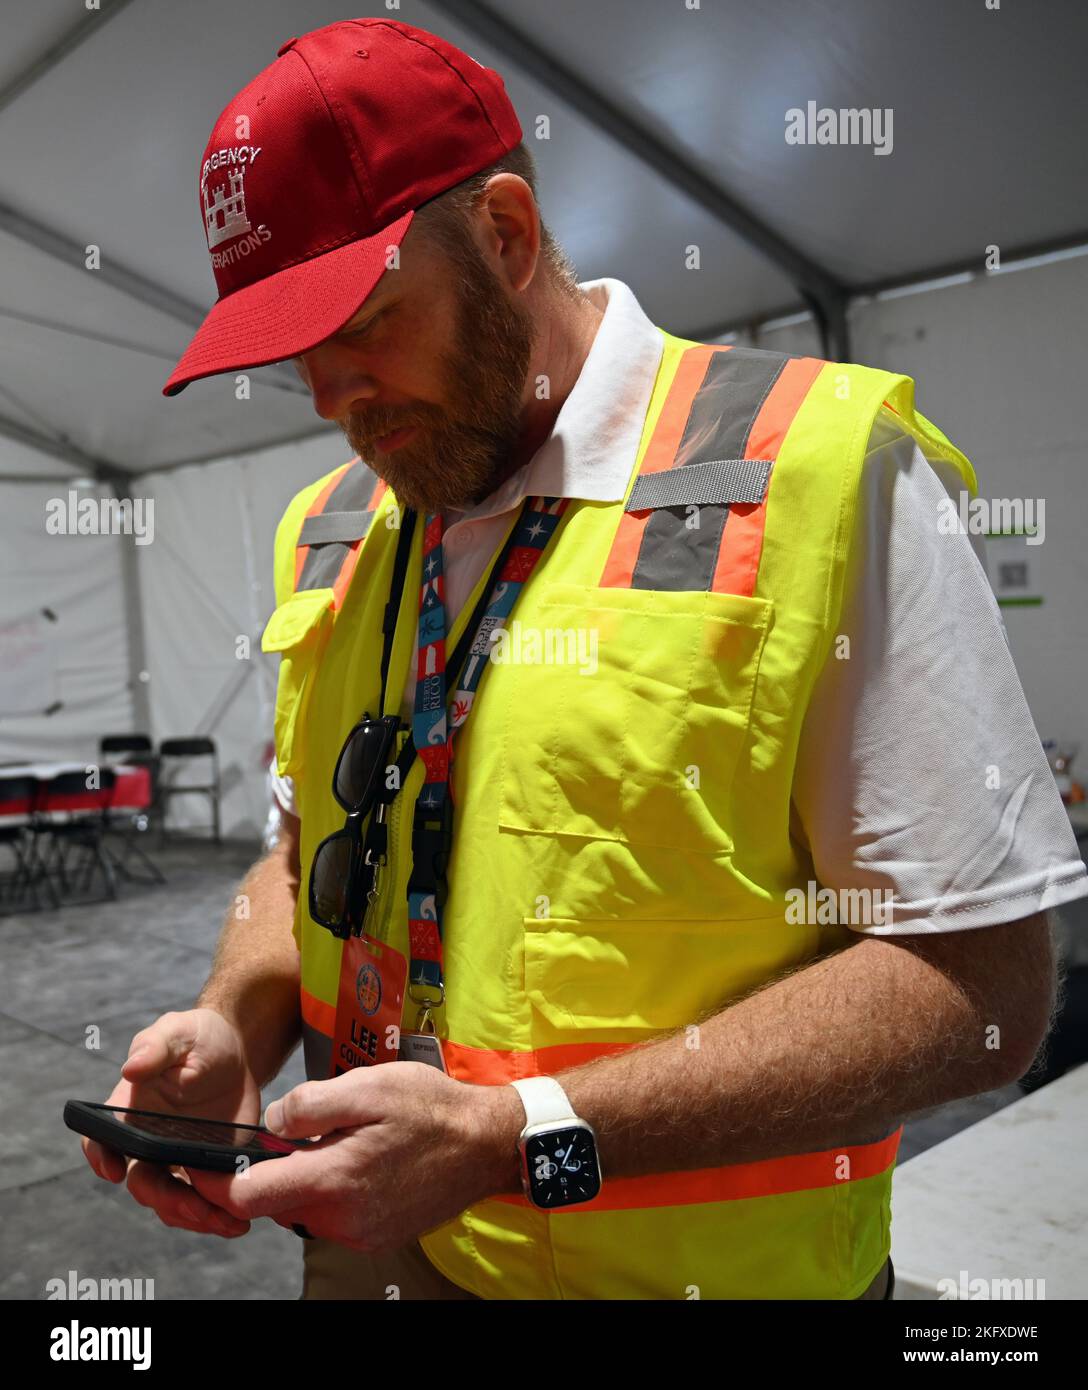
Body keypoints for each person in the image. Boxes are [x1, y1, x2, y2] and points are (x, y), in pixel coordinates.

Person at [80, 17, 1086, 1301]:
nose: (333, 396)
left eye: (364, 322)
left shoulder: (820, 475)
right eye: (294, 354)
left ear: (502, 238)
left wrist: (516, 1137)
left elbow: (980, 986)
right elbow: (294, 856)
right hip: (371, 1263)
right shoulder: (334, 531)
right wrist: (234, 1021)